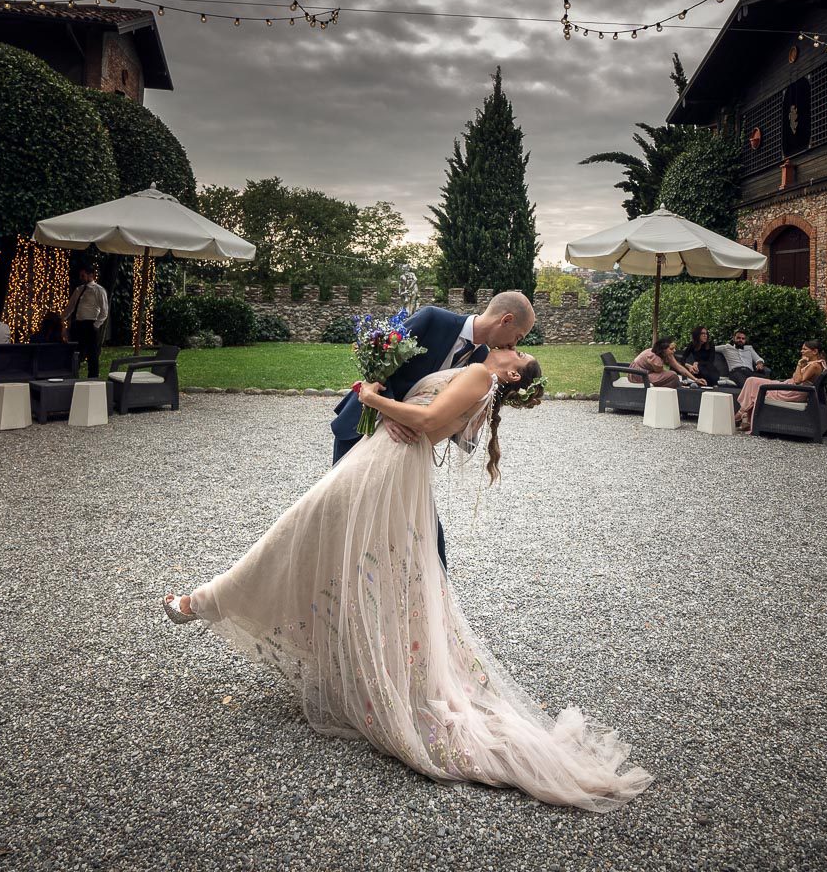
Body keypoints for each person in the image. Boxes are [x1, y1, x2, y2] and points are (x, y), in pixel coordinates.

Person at [160, 351, 653, 814]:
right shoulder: (477, 371)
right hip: (385, 464)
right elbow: (428, 419)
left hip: (385, 469)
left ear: (515, 376)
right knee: (314, 542)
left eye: (518, 353)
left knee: (296, 531)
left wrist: (370, 398)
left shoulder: (482, 378)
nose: (512, 348)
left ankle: (206, 601)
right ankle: (274, 622)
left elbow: (427, 422)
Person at [331, 290, 536, 571]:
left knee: (428, 533)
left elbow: (451, 414)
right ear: (507, 320)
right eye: (519, 337)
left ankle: (434, 600)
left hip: (405, 449)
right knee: (343, 517)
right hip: (361, 428)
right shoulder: (432, 319)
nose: (514, 345)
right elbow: (379, 361)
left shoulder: (485, 362)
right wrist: (385, 409)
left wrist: (481, 411)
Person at [734, 339, 827, 431]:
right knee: (752, 381)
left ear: (815, 351)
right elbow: (796, 377)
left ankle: (742, 413)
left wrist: (799, 364)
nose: (801, 351)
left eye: (805, 349)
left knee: (753, 383)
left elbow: (797, 380)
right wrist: (802, 366)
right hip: (791, 388)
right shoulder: (814, 363)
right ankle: (744, 414)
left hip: (791, 392)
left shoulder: (814, 366)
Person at [64, 265, 109, 379]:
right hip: (79, 324)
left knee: (92, 353)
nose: (81, 278)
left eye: (83, 275)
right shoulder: (78, 290)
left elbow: (104, 310)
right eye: (80, 275)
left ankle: (93, 377)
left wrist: (96, 325)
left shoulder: (98, 290)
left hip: (90, 324)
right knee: (77, 351)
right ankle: (73, 375)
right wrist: (61, 319)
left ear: (91, 275)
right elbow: (70, 307)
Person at [627, 336, 703, 386]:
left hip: (647, 373)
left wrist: (696, 379)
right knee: (673, 376)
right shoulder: (655, 357)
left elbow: (679, 367)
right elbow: (659, 371)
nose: (674, 350)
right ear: (663, 349)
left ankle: (677, 387)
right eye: (671, 349)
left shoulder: (666, 354)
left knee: (673, 376)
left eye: (674, 348)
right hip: (637, 374)